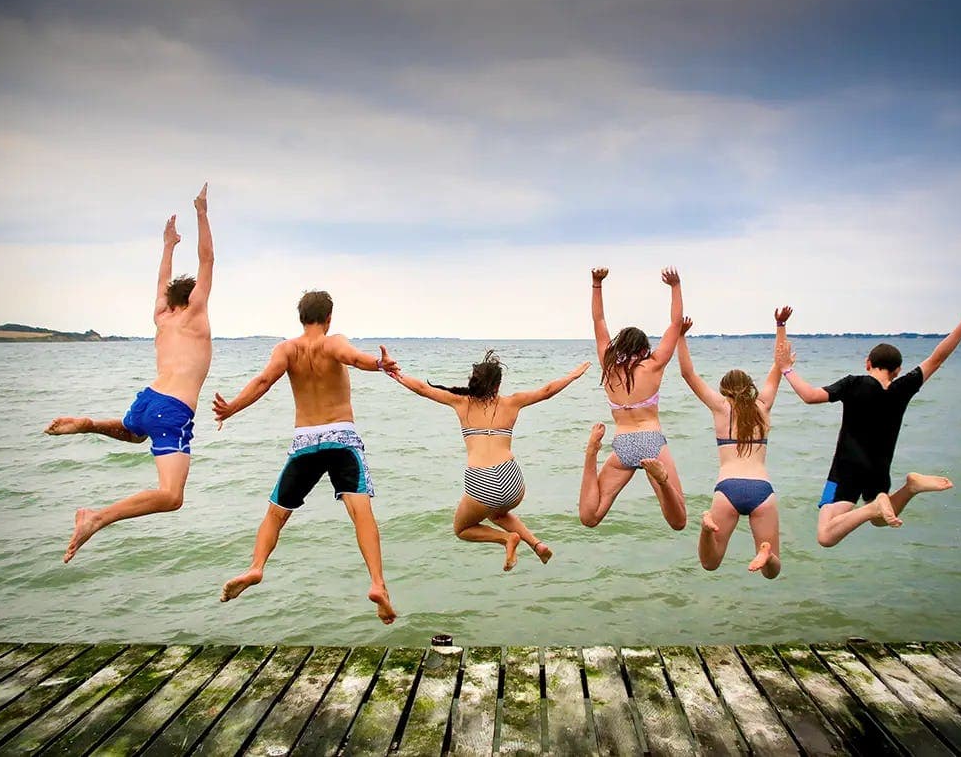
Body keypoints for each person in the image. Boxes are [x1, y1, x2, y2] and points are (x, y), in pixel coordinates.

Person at [45, 184, 214, 563]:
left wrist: (168, 246)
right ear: (192, 299)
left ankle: (89, 424)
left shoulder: (161, 316)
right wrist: (202, 212)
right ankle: (96, 518)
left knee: (137, 434)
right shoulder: (194, 314)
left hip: (147, 401)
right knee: (171, 496)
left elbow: (162, 281)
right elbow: (207, 260)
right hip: (172, 408)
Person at [212, 290, 399, 625]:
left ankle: (256, 567)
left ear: (301, 318)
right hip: (341, 438)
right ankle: (377, 584)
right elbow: (355, 358)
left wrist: (231, 408)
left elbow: (263, 381)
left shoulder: (287, 350)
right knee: (361, 514)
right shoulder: (333, 342)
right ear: (329, 318)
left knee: (275, 514)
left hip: (305, 441)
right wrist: (379, 364)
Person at [778, 302, 961, 547]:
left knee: (826, 536)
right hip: (879, 469)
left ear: (868, 363)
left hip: (847, 469)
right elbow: (937, 358)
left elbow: (810, 396)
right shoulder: (903, 388)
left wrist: (787, 369)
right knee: (880, 519)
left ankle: (875, 506)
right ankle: (909, 488)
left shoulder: (854, 383)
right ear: (897, 370)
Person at [390, 352, 590, 570]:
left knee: (462, 529)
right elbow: (547, 391)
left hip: (482, 481)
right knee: (497, 513)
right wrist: (572, 376)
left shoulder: (461, 402)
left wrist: (394, 373)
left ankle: (507, 539)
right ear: (497, 385)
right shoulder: (513, 402)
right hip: (512, 481)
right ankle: (536, 544)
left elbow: (422, 389)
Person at [679, 308, 793, 578]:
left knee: (710, 563)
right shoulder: (763, 405)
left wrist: (681, 337)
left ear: (724, 390)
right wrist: (780, 325)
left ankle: (706, 529)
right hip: (762, 489)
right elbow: (779, 365)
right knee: (772, 571)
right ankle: (766, 553)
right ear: (750, 386)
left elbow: (688, 374)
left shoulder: (720, 407)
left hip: (727, 489)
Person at [579, 267, 686, 530]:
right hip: (651, 441)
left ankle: (591, 454)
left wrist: (596, 283)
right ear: (644, 348)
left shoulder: (609, 367)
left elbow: (598, 321)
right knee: (679, 521)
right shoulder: (654, 365)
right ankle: (661, 480)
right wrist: (675, 286)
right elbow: (675, 324)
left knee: (590, 517)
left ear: (619, 346)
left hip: (623, 442)